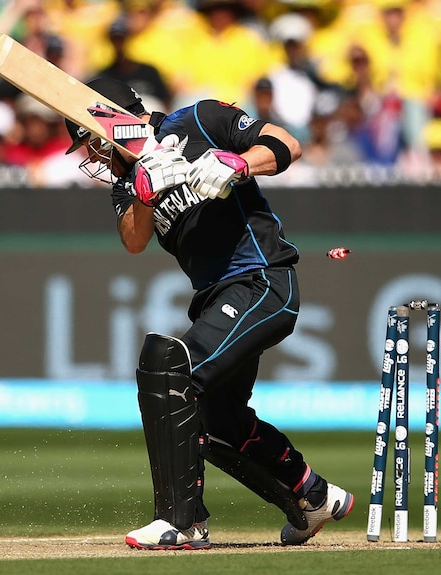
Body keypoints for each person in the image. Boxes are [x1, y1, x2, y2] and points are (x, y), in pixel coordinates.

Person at [64, 77, 354, 550]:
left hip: (261, 279)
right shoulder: (126, 180)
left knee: (173, 373)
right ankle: (312, 496)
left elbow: (286, 145)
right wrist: (143, 186)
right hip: (215, 294)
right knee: (217, 420)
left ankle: (181, 521)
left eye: (89, 142)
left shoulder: (198, 118)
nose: (91, 157)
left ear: (112, 125)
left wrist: (237, 164)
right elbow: (133, 240)